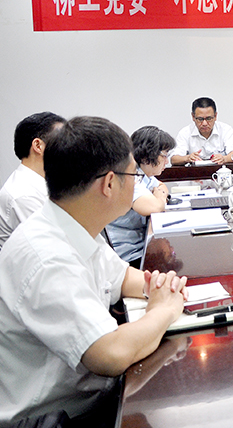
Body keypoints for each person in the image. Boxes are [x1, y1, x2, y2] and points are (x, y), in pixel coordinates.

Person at [0, 116, 188, 424]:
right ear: (109, 183)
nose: (137, 183)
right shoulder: (47, 256)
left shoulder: (72, 224)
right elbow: (111, 354)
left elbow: (122, 277)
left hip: (90, 397)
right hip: (58, 417)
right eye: (133, 175)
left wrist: (159, 285)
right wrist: (164, 309)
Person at [106, 126, 175, 267]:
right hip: (127, 255)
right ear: (148, 155)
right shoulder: (130, 176)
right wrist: (160, 199)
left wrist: (159, 197)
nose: (167, 161)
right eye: (164, 156)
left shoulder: (143, 173)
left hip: (139, 244)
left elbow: (161, 186)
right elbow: (154, 208)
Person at [0, 112, 65, 249]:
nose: (71, 148)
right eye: (63, 141)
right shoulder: (23, 195)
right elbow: (54, 246)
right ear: (38, 146)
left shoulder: (46, 185)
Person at [169, 97, 233, 166]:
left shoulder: (225, 130)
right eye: (200, 119)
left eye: (209, 118)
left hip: (221, 170)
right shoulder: (185, 132)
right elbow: (174, 159)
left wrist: (224, 158)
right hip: (195, 171)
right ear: (193, 117)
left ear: (215, 116)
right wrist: (187, 158)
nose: (204, 123)